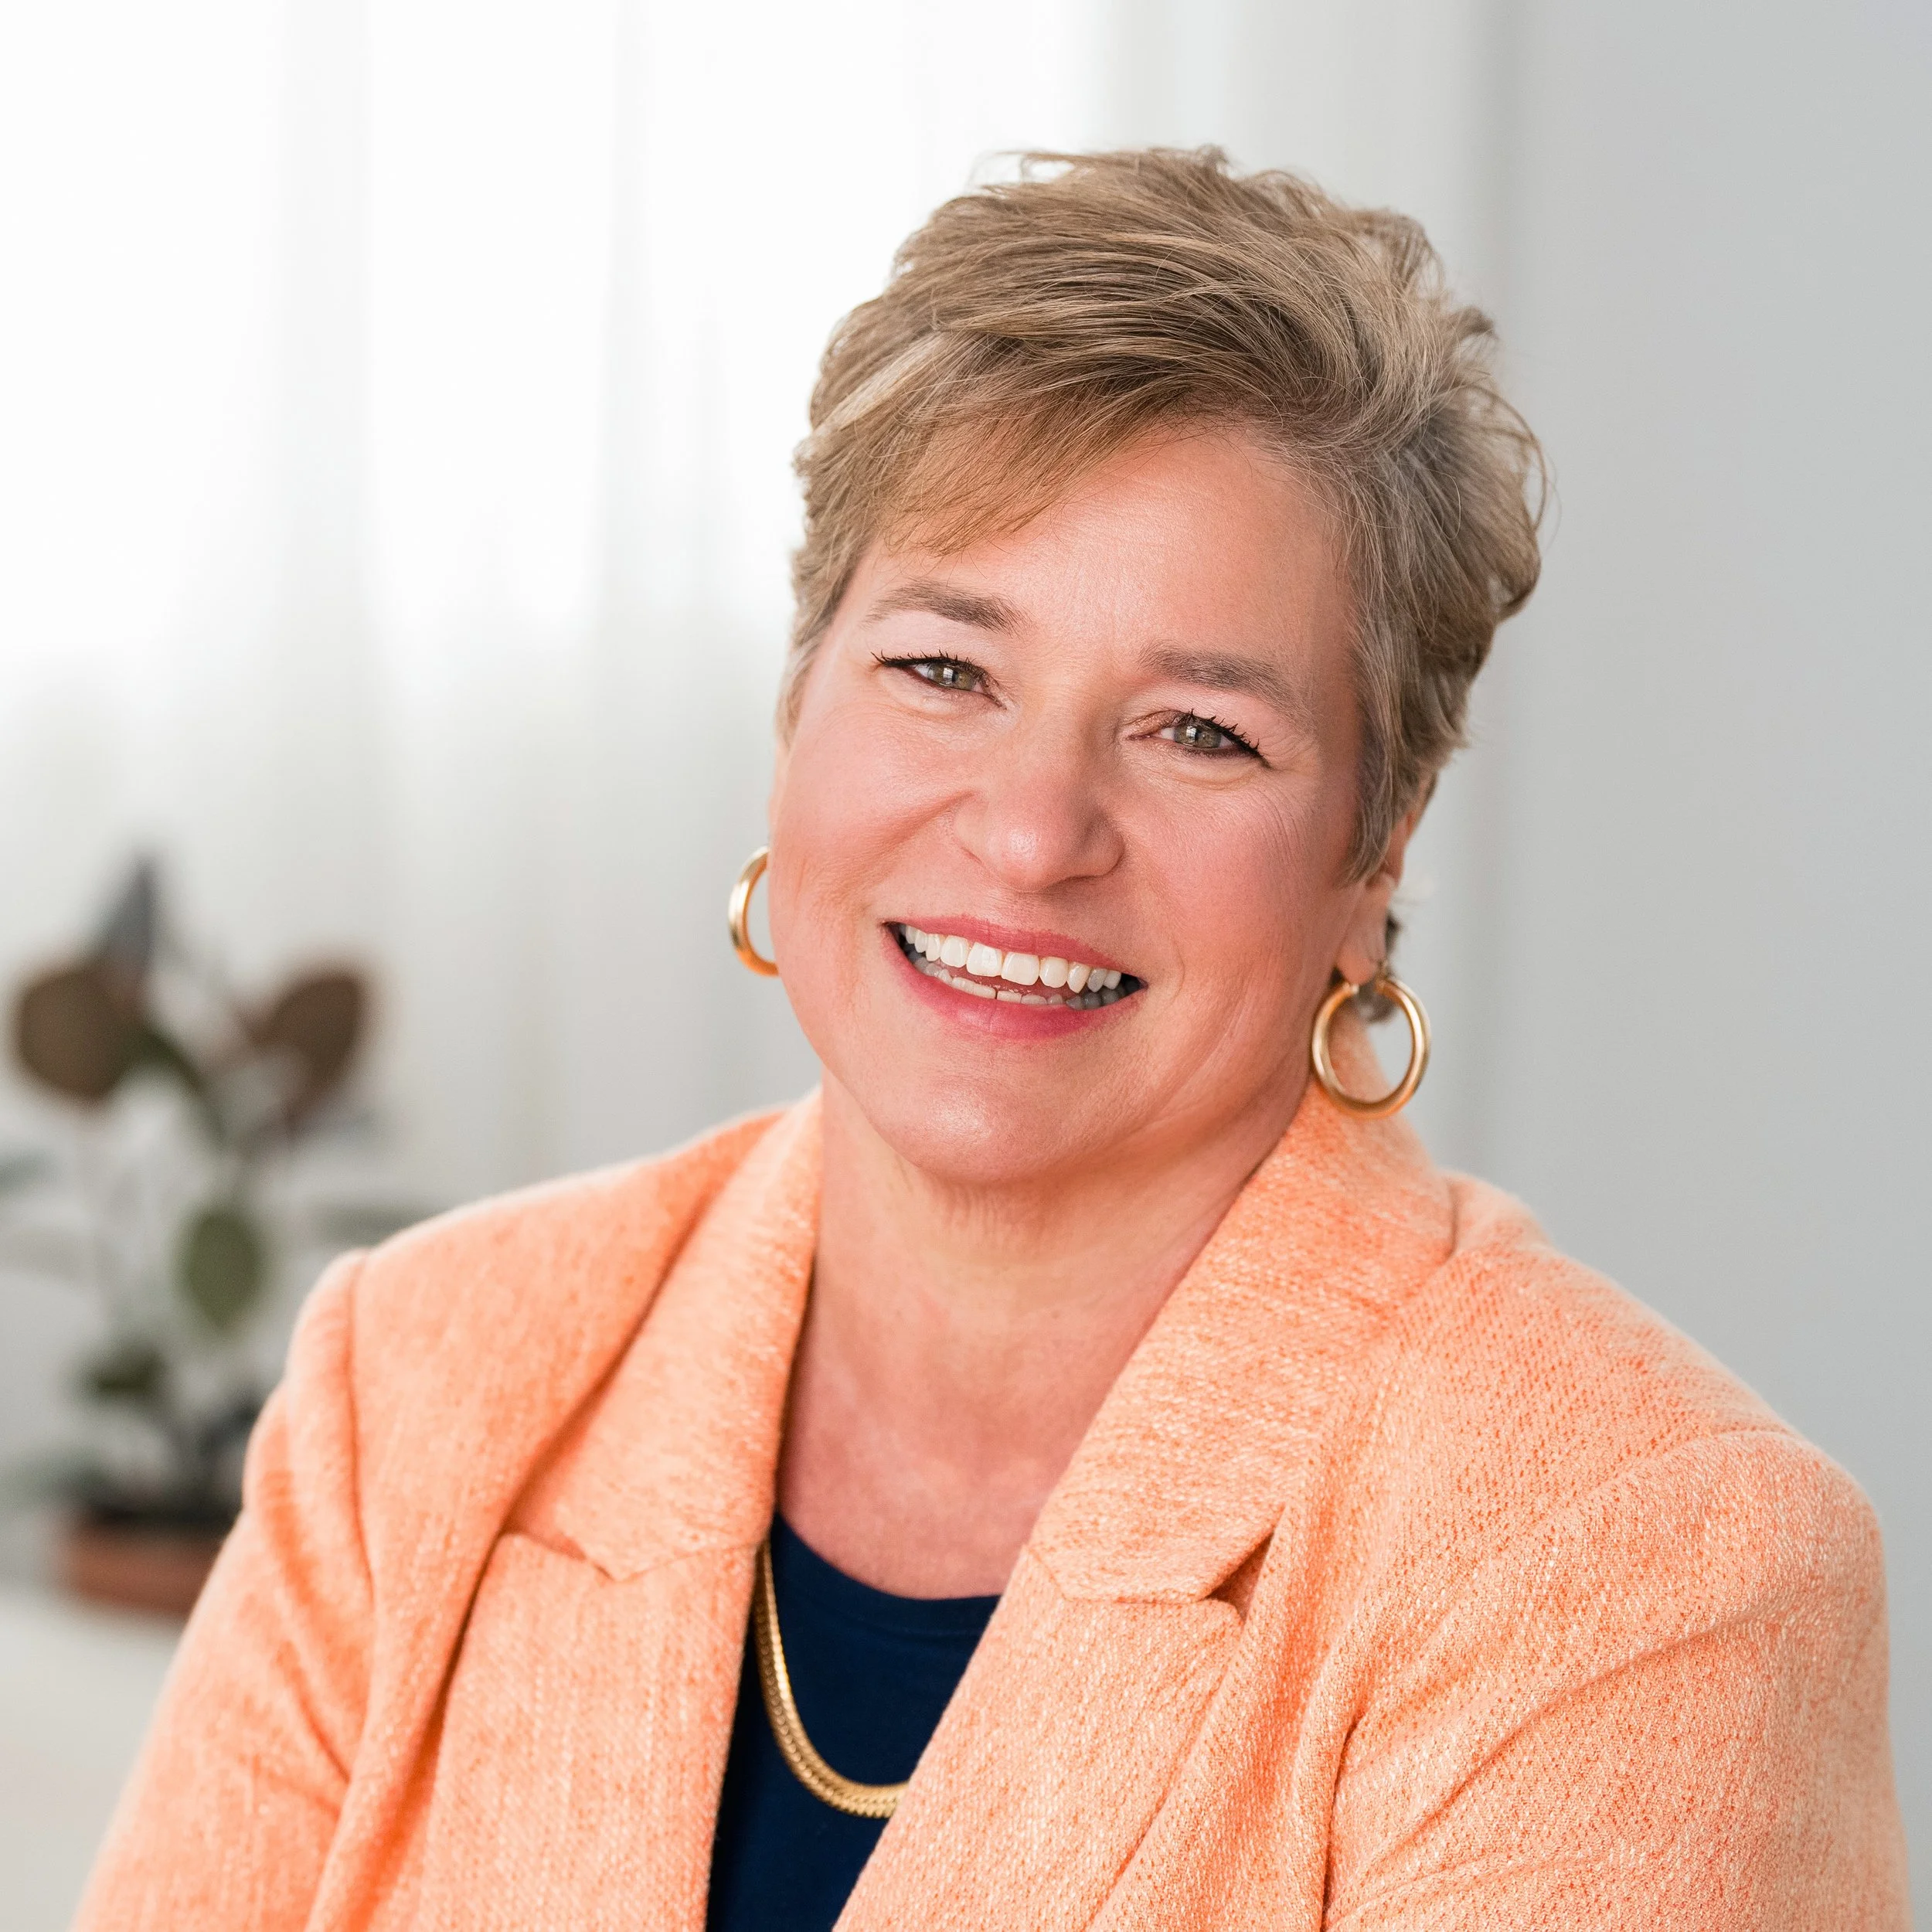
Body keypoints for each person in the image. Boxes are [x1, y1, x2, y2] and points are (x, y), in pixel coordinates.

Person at [77, 148, 1906, 1930]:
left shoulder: (1642, 1566)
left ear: (1375, 846)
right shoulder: (421, 1379)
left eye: (1198, 731)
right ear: (797, 703)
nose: (1032, 834)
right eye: (943, 669)